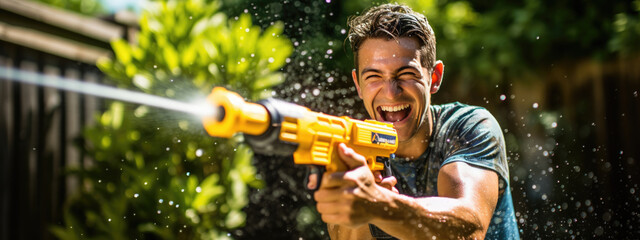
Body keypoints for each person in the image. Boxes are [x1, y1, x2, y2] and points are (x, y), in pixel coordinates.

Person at [312, 3, 520, 239]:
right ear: (358, 84)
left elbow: (469, 229)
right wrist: (353, 205)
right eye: (373, 77)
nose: (391, 92)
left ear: (434, 77)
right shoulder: (354, 148)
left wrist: (380, 205)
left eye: (406, 74)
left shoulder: (468, 126)